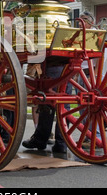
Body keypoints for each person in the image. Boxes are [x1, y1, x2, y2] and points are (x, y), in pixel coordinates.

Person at [22, 11, 95, 152]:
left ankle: (42, 139)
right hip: (67, 66)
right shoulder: (77, 34)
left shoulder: (65, 30)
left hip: (54, 64)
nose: (81, 22)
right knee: (63, 104)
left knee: (49, 103)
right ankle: (61, 142)